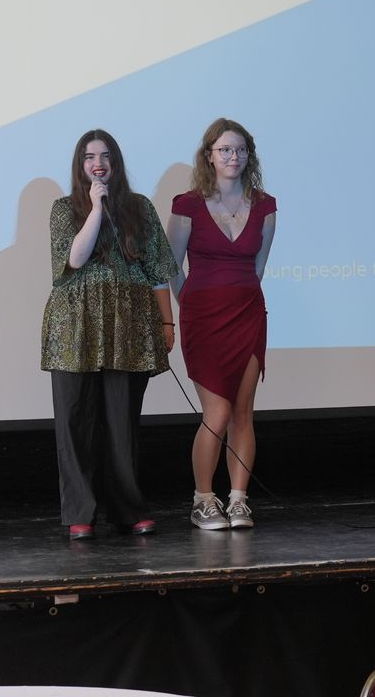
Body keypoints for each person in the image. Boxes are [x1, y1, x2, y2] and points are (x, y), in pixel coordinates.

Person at [42, 128, 176, 539]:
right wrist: (96, 209)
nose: (97, 163)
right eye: (88, 157)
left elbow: (157, 273)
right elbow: (75, 259)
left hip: (129, 324)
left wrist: (168, 323)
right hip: (74, 325)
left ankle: (128, 510)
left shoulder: (140, 208)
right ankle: (80, 513)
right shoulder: (64, 209)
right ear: (79, 166)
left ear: (116, 162)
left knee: (122, 422)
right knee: (75, 421)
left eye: (104, 156)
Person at [168, 117, 277, 531]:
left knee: (243, 413)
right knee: (217, 412)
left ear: (249, 156)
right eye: (225, 150)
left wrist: (236, 296)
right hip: (203, 318)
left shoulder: (266, 206)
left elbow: (259, 265)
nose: (233, 157)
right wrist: (191, 303)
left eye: (241, 150)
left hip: (247, 314)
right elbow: (170, 267)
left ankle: (237, 500)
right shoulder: (187, 204)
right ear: (209, 156)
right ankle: (202, 499)